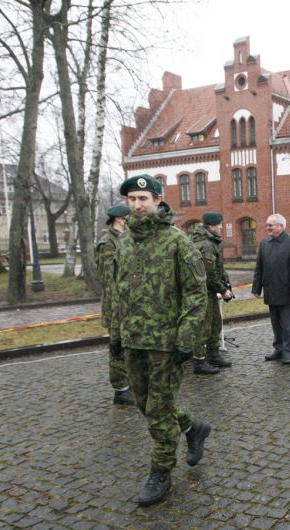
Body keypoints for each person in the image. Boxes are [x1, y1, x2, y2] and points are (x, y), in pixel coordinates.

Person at [108, 174, 212, 506]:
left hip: (166, 344)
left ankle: (161, 471)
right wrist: (116, 335)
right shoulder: (123, 244)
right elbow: (118, 294)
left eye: (143, 199)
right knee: (145, 404)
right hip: (133, 340)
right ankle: (193, 428)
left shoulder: (176, 241)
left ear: (157, 201)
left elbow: (196, 294)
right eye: (132, 200)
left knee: (158, 408)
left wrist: (186, 338)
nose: (137, 206)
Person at [252, 213, 290, 365]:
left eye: (270, 225)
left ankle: (289, 351)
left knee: (287, 325)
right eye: (267, 224)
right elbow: (259, 267)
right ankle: (279, 349)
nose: (267, 227)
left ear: (281, 226)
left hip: (287, 291)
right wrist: (256, 288)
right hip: (271, 290)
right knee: (275, 323)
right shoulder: (264, 243)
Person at [95, 203, 134, 406]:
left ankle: (129, 384)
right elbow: (109, 281)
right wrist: (118, 309)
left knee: (128, 347)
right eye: (129, 217)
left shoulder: (124, 240)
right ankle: (120, 390)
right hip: (116, 307)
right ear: (120, 219)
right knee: (117, 348)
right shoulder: (107, 244)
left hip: (128, 306)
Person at [188, 212, 234, 375]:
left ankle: (213, 354)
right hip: (202, 292)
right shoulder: (206, 244)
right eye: (220, 224)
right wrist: (223, 290)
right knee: (204, 326)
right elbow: (209, 274)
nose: (221, 227)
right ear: (212, 226)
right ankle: (199, 361)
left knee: (215, 321)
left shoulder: (206, 240)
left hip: (207, 291)